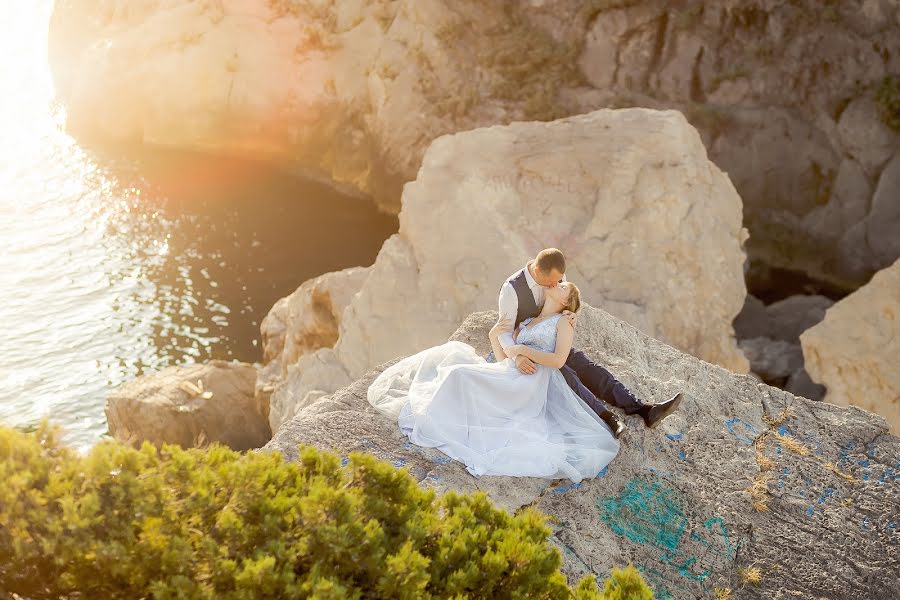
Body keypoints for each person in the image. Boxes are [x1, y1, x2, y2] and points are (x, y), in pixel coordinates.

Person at [367, 281, 619, 483]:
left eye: (564, 287)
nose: (559, 283)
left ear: (566, 301)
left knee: (459, 375)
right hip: (510, 372)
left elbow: (558, 360)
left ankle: (441, 424)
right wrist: (494, 336)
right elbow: (504, 357)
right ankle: (445, 421)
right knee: (457, 369)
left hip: (531, 382)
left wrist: (523, 350)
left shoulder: (564, 321)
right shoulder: (528, 322)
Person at [490, 248, 682, 438]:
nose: (556, 284)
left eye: (560, 281)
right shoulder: (511, 290)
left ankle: (643, 409)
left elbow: (567, 302)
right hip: (530, 353)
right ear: (538, 272)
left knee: (588, 367)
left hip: (552, 341)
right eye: (552, 282)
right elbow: (504, 330)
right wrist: (517, 356)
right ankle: (607, 418)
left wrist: (571, 315)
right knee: (566, 374)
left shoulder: (556, 277)